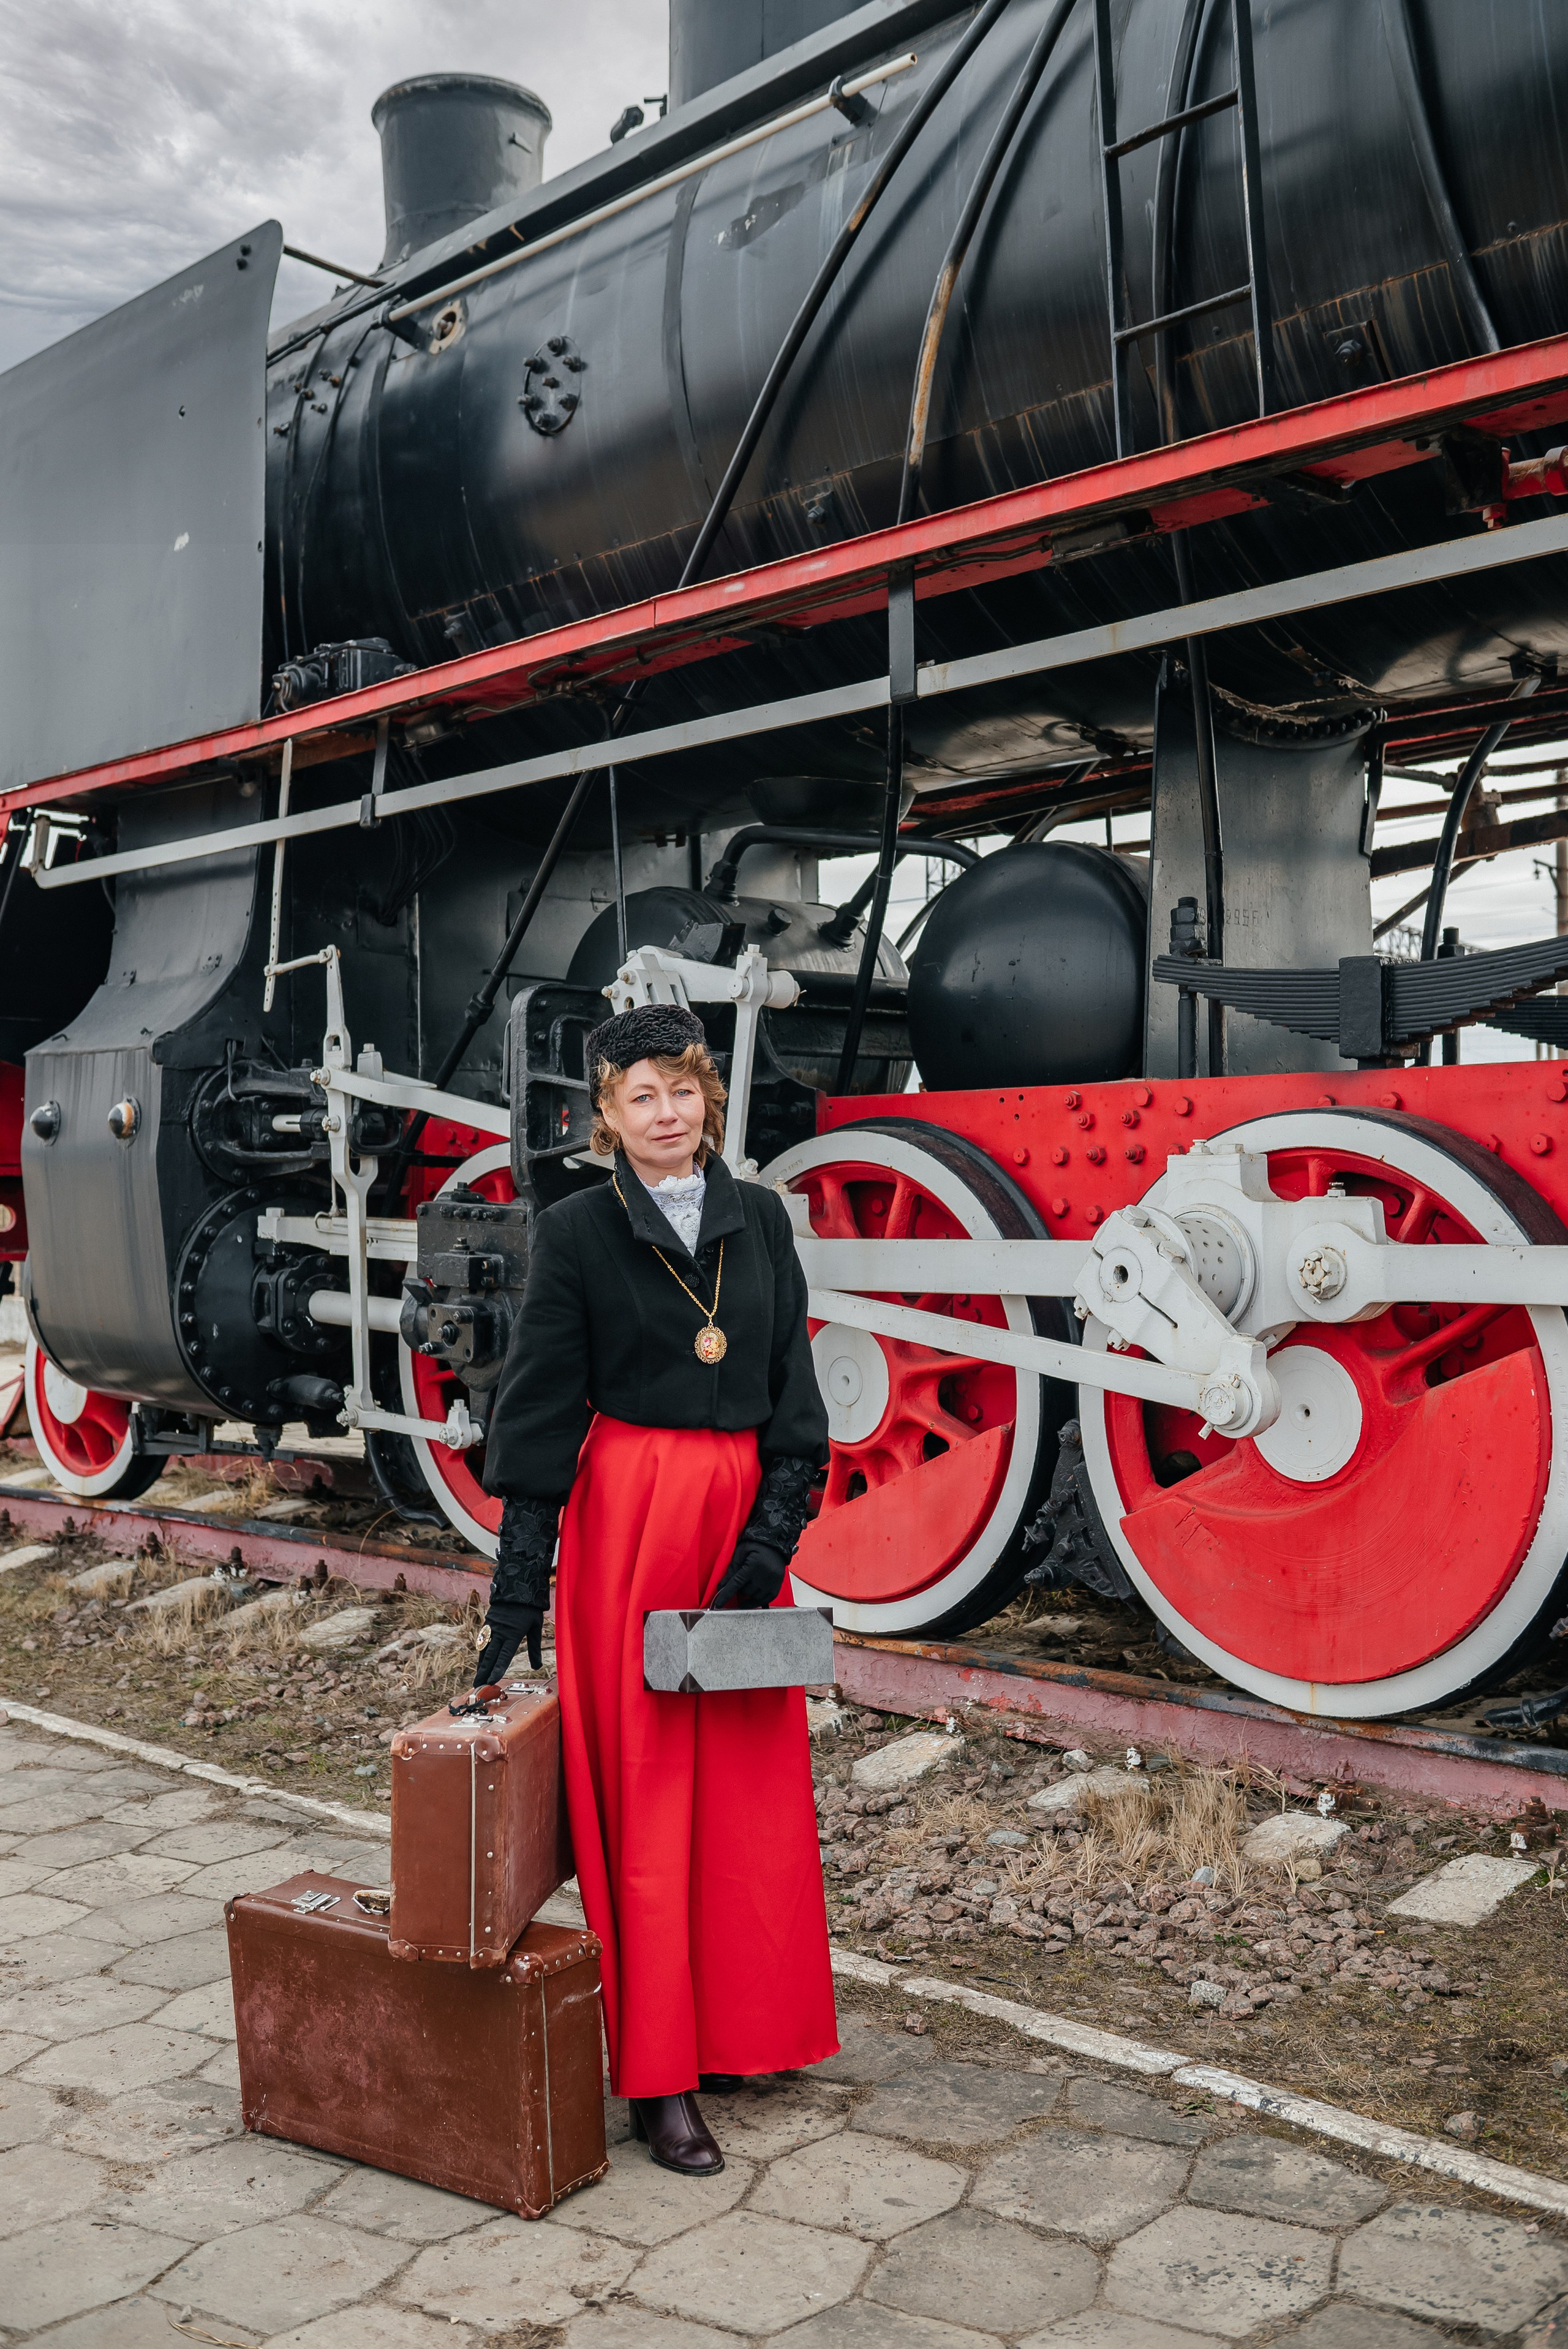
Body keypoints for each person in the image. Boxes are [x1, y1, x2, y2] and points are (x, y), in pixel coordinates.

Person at [476, 1001, 837, 2176]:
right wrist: (516, 1595)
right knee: (645, 1808)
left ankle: (737, 2033)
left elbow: (792, 1387)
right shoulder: (579, 1231)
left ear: (707, 1101)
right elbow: (538, 1408)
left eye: (683, 1091)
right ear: (607, 1117)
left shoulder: (764, 1221)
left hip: (737, 1524)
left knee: (742, 1794)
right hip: (628, 1528)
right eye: (641, 1096)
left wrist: (769, 1543)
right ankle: (660, 2078)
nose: (666, 1113)